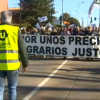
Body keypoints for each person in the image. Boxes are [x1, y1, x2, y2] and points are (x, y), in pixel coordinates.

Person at [0, 11, 28, 100]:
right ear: (11, 18)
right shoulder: (16, 30)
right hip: (13, 65)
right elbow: (22, 48)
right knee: (12, 88)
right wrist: (25, 63)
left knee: (0, 89)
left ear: (1, 19)